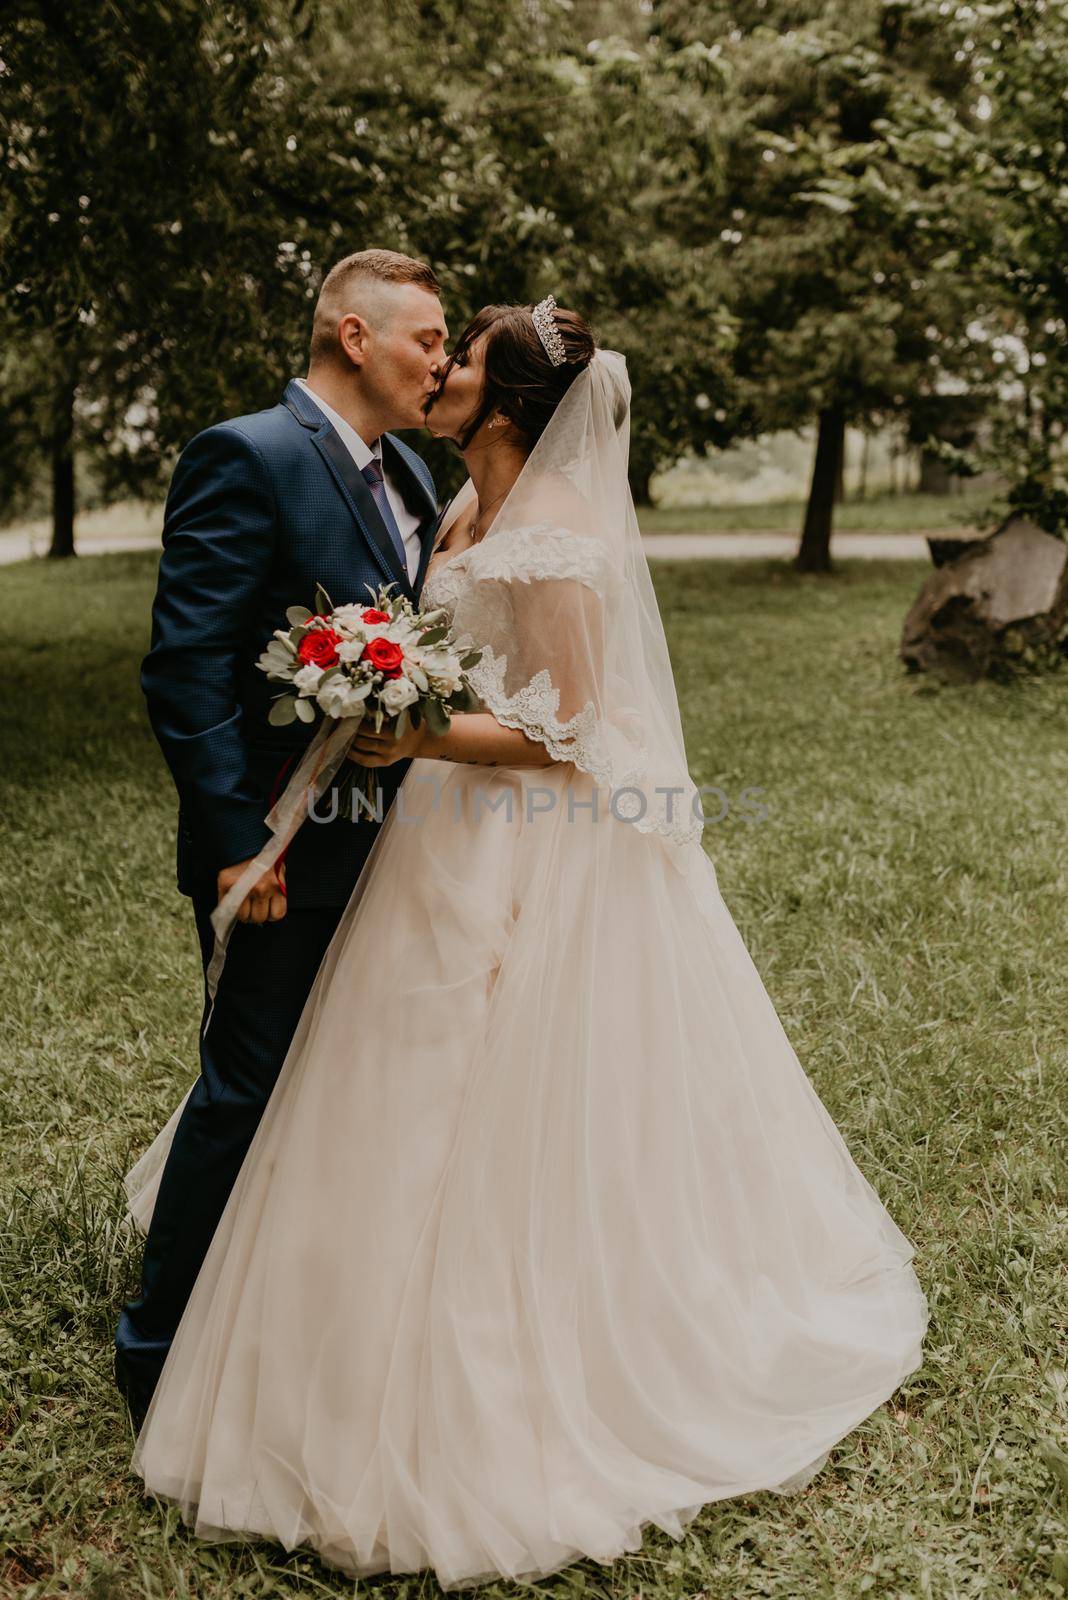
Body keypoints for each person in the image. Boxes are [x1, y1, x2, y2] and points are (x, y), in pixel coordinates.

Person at [123, 298, 928, 1587]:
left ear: (501, 407)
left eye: (462, 359)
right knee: (369, 1078)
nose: (440, 370)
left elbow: (572, 735)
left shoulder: (558, 540)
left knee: (491, 1097)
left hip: (507, 841)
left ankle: (479, 1360)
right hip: (421, 836)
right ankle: (311, 1320)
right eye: (432, 345)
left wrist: (418, 732)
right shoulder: (452, 508)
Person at [114, 249, 448, 1426]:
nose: (441, 362)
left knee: (338, 1085)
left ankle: (289, 1315)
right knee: (247, 1085)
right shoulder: (244, 454)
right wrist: (233, 841)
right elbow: (186, 665)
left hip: (390, 841)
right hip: (281, 846)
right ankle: (155, 1348)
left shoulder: (407, 466)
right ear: (353, 335)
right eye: (427, 340)